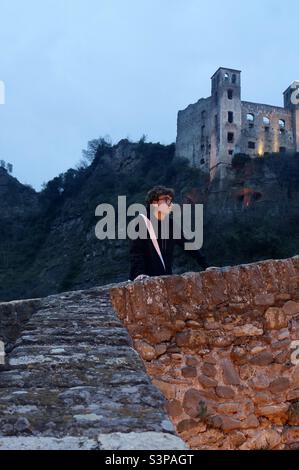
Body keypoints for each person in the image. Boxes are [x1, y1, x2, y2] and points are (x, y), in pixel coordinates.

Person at [129, 185, 209, 281]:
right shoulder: (141, 222)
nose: (169, 204)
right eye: (165, 200)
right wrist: (139, 273)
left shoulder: (170, 224)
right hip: (143, 279)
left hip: (165, 278)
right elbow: (137, 252)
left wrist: (207, 266)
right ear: (154, 202)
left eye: (170, 200)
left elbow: (189, 246)